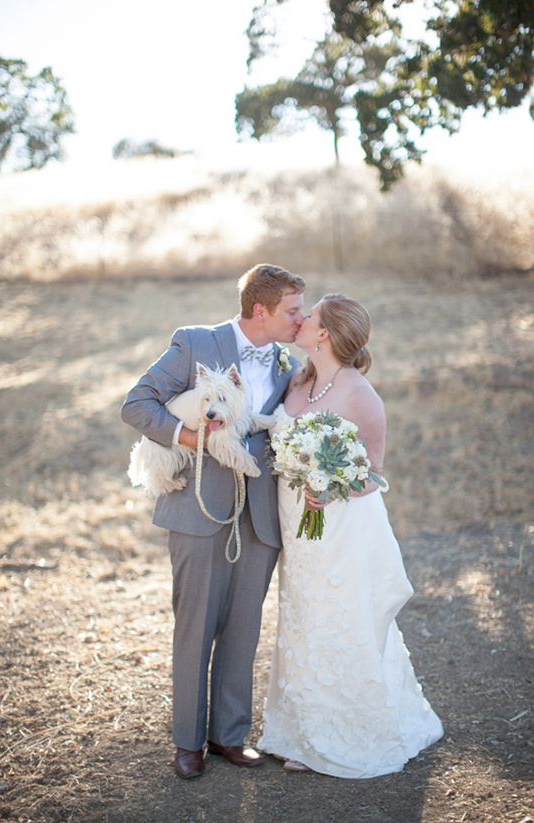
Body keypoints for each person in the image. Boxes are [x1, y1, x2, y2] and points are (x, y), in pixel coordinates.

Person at [121, 264, 305, 779]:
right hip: (198, 510)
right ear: (261, 310)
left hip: (261, 517)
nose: (302, 319)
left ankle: (229, 736)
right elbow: (136, 406)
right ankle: (187, 742)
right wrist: (196, 439)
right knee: (195, 629)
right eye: (293, 310)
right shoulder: (194, 343)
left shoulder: (290, 362)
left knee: (244, 630)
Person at [258, 293, 444, 778]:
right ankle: (297, 727)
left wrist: (331, 484)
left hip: (339, 529)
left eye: (310, 316)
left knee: (337, 618)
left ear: (324, 334)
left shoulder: (362, 395)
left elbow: (375, 474)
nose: (300, 320)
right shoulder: (298, 380)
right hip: (296, 530)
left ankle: (337, 733)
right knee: (301, 617)